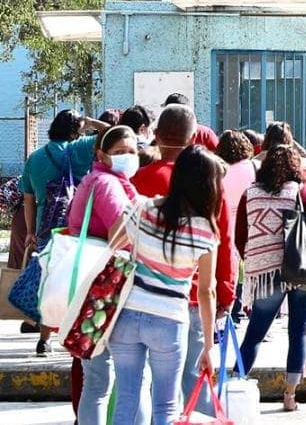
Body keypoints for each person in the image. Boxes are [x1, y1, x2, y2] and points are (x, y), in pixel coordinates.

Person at [130, 105, 238, 417]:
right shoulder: (211, 185)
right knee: (196, 379)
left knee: (144, 385)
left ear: (156, 136)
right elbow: (224, 241)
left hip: (142, 297)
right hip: (193, 297)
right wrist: (226, 294)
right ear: (193, 139)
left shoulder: (138, 181)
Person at [107, 145, 221, 425]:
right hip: (169, 321)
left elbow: (113, 241)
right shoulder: (206, 231)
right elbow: (206, 291)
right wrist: (209, 346)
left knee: (127, 398)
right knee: (167, 407)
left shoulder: (144, 209)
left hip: (126, 315)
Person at [235, 145, 306, 412]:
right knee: (298, 332)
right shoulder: (301, 192)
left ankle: (237, 383)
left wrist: (254, 258)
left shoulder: (249, 194)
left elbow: (241, 235)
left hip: (265, 274)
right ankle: (290, 396)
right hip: (301, 270)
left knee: (255, 334)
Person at [67, 125, 142, 424]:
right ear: (101, 154)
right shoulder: (107, 183)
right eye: (120, 152)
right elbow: (121, 231)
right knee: (116, 383)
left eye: (133, 151)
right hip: (105, 288)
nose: (128, 157)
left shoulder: (97, 179)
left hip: (91, 287)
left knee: (96, 381)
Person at [20, 110, 109, 355]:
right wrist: (90, 123)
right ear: (74, 131)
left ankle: (44, 338)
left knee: (50, 282)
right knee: (79, 280)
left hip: (46, 226)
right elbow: (114, 132)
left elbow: (28, 197)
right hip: (78, 225)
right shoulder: (80, 148)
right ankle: (74, 333)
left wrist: (30, 231)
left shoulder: (35, 158)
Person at [216, 130, 256, 323]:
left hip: (223, 218)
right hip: (246, 218)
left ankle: (230, 307)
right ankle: (245, 306)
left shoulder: (218, 168)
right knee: (245, 265)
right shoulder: (250, 167)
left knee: (228, 264)